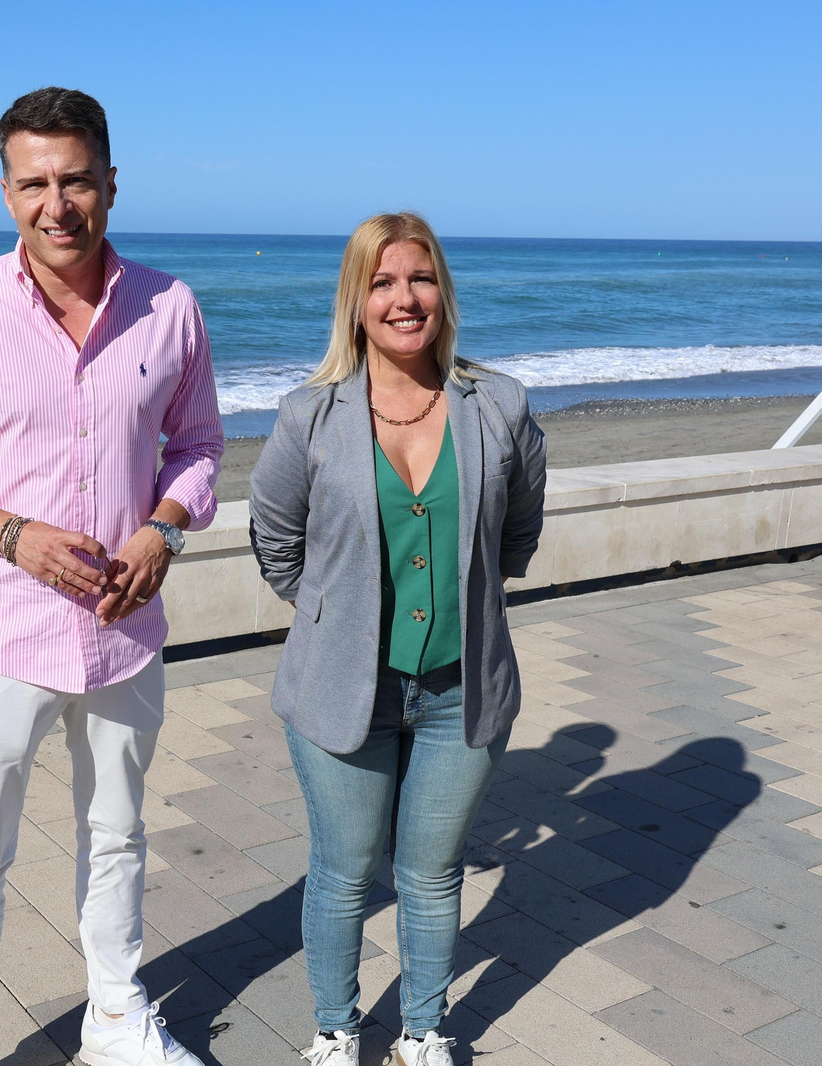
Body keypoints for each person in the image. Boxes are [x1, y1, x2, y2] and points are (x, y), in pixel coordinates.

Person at [0, 87, 223, 1066]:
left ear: (110, 182)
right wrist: (11, 535)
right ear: (5, 191)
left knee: (117, 833)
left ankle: (115, 1017)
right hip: (2, 629)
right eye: (34, 184)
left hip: (123, 629)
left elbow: (198, 446)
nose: (56, 205)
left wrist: (163, 532)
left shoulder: (169, 306)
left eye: (75, 181)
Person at [248, 212, 546, 1066]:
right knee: (343, 871)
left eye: (419, 279)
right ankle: (335, 1032)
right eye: (382, 282)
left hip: (462, 691)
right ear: (356, 300)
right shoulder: (308, 416)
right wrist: (333, 616)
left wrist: (470, 596)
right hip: (342, 689)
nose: (403, 298)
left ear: (442, 292)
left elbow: (519, 531)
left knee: (431, 872)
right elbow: (274, 541)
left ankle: (423, 1032)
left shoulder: (499, 405)